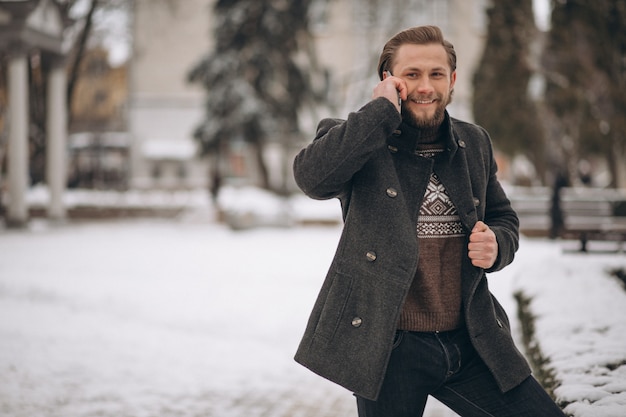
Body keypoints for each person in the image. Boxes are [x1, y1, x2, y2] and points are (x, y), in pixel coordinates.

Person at [292, 26, 566, 417]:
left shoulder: (475, 143)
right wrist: (380, 113)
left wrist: (498, 244)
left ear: (452, 80)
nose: (425, 86)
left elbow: (504, 217)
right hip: (390, 348)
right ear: (388, 80)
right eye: (411, 74)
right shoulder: (359, 138)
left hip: (472, 339)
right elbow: (312, 178)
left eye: (436, 74)